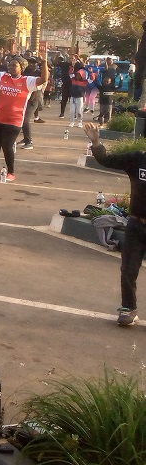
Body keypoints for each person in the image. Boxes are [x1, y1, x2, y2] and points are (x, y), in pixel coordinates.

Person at [83, 122, 145, 326]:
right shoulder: (138, 159)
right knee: (128, 269)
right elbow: (107, 160)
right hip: (136, 225)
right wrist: (96, 142)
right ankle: (129, 308)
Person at [0, 41, 47, 182]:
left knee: (7, 145)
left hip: (14, 120)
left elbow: (44, 79)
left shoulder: (28, 81)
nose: (10, 66)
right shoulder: (3, 77)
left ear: (21, 68)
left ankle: (11, 172)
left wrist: (44, 62)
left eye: (14, 65)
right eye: (9, 64)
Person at [98, 57, 118, 125]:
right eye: (109, 60)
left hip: (111, 82)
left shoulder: (115, 66)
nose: (110, 61)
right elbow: (102, 71)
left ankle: (108, 118)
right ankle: (101, 117)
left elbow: (118, 72)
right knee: (103, 105)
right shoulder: (103, 65)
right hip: (104, 82)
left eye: (111, 60)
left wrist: (118, 77)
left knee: (109, 103)